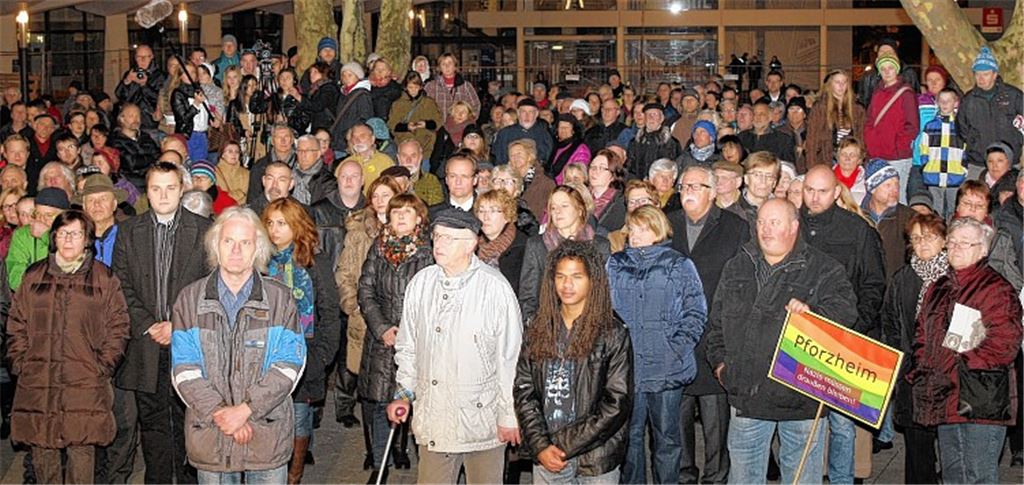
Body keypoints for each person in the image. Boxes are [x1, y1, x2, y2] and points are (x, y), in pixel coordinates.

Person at [706, 198, 858, 484]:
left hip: (800, 399)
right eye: (761, 222)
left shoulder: (823, 268)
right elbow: (716, 324)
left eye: (774, 222)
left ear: (794, 226)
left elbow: (847, 312)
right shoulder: (738, 265)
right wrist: (722, 366)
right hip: (747, 396)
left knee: (802, 479)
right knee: (743, 479)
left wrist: (813, 314)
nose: (765, 229)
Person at [170, 207, 307, 484]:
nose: (236, 250)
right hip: (212, 436)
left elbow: (288, 366)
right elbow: (184, 370)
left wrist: (245, 411)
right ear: (215, 246)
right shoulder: (189, 300)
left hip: (266, 436)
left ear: (258, 249)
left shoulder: (280, 300)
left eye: (245, 242)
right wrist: (223, 415)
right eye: (228, 241)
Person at [385, 209, 522, 484]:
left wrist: (509, 414)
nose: (440, 244)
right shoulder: (421, 283)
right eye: (437, 236)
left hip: (481, 421)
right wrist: (404, 394)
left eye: (449, 238)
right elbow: (408, 347)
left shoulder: (495, 288)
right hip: (435, 419)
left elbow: (510, 358)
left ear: (471, 244)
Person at [7, 209, 130, 484]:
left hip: (84, 379)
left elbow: (119, 326)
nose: (68, 239)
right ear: (54, 237)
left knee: (82, 450)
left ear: (87, 239)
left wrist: (102, 366)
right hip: (38, 379)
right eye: (62, 233)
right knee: (43, 448)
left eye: (75, 233)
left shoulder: (103, 278)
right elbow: (16, 322)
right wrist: (20, 362)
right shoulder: (34, 275)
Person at [112, 162, 212, 484]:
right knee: (153, 425)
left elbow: (211, 287)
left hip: (189, 342)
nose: (163, 195)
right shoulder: (129, 230)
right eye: (156, 188)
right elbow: (121, 283)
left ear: (182, 190)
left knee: (191, 420)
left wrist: (177, 325)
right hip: (147, 343)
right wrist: (149, 323)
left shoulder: (204, 230)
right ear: (147, 192)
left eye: (170, 188)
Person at [909, 217, 1023, 483]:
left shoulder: (997, 289)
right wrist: (922, 368)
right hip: (945, 396)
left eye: (965, 243)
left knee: (978, 475)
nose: (956, 248)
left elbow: (1005, 344)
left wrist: (961, 357)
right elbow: (922, 334)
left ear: (982, 250)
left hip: (981, 399)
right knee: (953, 475)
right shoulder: (938, 287)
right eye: (952, 242)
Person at [515, 240, 633, 484]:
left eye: (576, 277)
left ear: (592, 280)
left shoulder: (612, 332)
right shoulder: (538, 327)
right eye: (560, 276)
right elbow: (524, 389)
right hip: (547, 454)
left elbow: (617, 403)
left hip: (595, 458)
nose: (567, 285)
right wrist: (540, 445)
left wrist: (561, 445)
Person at [800, 165, 886, 483]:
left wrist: (857, 325)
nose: (814, 197)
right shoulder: (792, 223)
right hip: (801, 336)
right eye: (809, 190)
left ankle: (841, 480)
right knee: (803, 423)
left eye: (822, 191)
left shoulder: (857, 229)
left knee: (841, 423)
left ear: (837, 192)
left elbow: (874, 283)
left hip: (843, 336)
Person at [607, 206, 704, 484]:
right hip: (628, 369)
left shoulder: (679, 264)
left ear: (658, 230)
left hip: (666, 368)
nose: (635, 234)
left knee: (667, 439)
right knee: (630, 439)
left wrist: (675, 348)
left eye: (643, 228)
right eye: (632, 228)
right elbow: (604, 310)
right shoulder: (615, 263)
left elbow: (696, 311)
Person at [260, 198, 340, 484]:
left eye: (282, 223)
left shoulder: (314, 261)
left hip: (304, 350)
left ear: (296, 225)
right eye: (270, 223)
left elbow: (329, 309)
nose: (274, 230)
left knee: (299, 416)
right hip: (264, 350)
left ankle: (293, 477)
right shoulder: (259, 261)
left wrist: (323, 355)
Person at [357, 194, 434, 482]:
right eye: (396, 211)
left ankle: (424, 464)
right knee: (380, 404)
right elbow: (365, 290)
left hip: (417, 339)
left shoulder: (428, 252)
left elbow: (432, 296)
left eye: (407, 212)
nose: (401, 216)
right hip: (382, 340)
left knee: (416, 402)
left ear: (419, 218)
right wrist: (382, 328)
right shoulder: (378, 248)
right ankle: (381, 465)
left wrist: (410, 331)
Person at [333, 175, 401, 460]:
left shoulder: (409, 231)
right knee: (370, 389)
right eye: (376, 195)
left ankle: (397, 447)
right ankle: (373, 450)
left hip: (399, 322)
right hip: (365, 319)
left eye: (387, 195)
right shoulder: (358, 231)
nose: (381, 200)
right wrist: (353, 304)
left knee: (400, 385)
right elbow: (345, 273)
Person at [880, 212, 947, 484]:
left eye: (929, 237)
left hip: (948, 377)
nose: (923, 244)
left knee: (953, 451)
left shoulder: (956, 277)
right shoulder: (902, 279)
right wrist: (901, 366)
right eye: (916, 238)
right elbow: (890, 324)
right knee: (917, 453)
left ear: (944, 240)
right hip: (913, 376)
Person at [519, 185, 611, 323]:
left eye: (564, 206)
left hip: (589, 323)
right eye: (553, 208)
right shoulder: (537, 245)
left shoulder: (599, 246)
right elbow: (528, 296)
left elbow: (604, 292)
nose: (557, 212)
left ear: (579, 210)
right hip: (548, 324)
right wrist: (535, 325)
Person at [956, 47, 1023, 180]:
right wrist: (974, 143)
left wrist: (1016, 143)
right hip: (978, 162)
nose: (981, 79)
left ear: (994, 74)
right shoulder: (968, 100)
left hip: (1008, 162)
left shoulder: (1014, 96)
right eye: (977, 74)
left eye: (985, 74)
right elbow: (961, 128)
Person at [864, 54, 918, 204]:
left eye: (890, 68)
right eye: (883, 69)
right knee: (878, 197)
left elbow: (912, 125)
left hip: (897, 155)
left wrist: (899, 145)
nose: (887, 72)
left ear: (897, 70)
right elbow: (870, 119)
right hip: (877, 153)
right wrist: (870, 140)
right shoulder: (877, 93)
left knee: (897, 196)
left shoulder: (906, 93)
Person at [918, 87, 967, 219]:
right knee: (936, 211)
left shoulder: (961, 126)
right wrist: (925, 166)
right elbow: (924, 149)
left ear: (955, 103)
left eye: (948, 101)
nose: (945, 104)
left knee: (954, 210)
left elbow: (965, 149)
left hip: (955, 174)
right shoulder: (930, 126)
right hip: (933, 174)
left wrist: (964, 168)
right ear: (937, 102)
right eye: (942, 100)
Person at [5, 187, 67, 290]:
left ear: (63, 216)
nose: (41, 220)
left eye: (49, 215)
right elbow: (15, 277)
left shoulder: (73, 232)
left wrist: (47, 236)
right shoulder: (22, 234)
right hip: (30, 296)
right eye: (37, 214)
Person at [862, 159, 914, 278]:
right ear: (872, 189)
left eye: (897, 184)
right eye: (888, 185)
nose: (895, 190)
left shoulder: (910, 218)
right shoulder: (858, 218)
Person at [474, 188, 529, 295]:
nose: (485, 217)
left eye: (493, 211)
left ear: (507, 215)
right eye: (481, 211)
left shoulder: (524, 247)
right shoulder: (471, 246)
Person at [389, 71, 442, 161]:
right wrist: (406, 127)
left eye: (416, 87)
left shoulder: (429, 103)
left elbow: (438, 121)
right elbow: (392, 125)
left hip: (425, 147)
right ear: (406, 87)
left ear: (420, 87)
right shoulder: (397, 104)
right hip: (405, 147)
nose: (413, 90)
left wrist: (426, 124)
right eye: (410, 87)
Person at [76, 174, 127, 267]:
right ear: (84, 206)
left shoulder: (128, 236)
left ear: (114, 204)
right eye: (91, 200)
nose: (97, 204)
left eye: (103, 199)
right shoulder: (74, 238)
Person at [108, 103, 161, 192]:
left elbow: (158, 156)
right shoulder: (114, 141)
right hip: (130, 185)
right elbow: (131, 163)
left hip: (151, 181)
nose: (136, 119)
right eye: (131, 116)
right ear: (122, 119)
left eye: (138, 116)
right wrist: (150, 158)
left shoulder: (145, 137)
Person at [115, 45, 166, 133]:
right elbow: (119, 95)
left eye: (146, 57)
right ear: (135, 58)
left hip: (150, 121)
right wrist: (127, 81)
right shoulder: (131, 73)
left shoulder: (160, 76)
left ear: (152, 57)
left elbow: (159, 98)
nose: (142, 60)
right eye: (139, 57)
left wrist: (144, 85)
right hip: (129, 121)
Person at [424, 53, 481, 125]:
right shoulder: (431, 86)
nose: (447, 66)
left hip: (461, 127)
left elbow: (476, 105)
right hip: (438, 127)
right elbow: (424, 107)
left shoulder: (466, 86)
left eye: (450, 63)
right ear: (439, 67)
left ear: (455, 66)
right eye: (443, 64)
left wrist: (469, 122)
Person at [330, 62, 374, 154]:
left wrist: (351, 135)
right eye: (343, 75)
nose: (346, 78)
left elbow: (364, 118)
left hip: (351, 141)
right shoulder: (343, 94)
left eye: (350, 75)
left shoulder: (362, 95)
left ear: (358, 76)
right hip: (339, 141)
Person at [627, 103, 681, 180]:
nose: (651, 117)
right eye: (648, 115)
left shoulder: (672, 143)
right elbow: (630, 167)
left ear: (662, 118)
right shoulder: (635, 142)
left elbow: (675, 169)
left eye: (655, 114)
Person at [493, 98, 554, 165]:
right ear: (518, 113)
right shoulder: (505, 133)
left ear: (536, 114)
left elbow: (546, 160)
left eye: (531, 112)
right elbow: (499, 159)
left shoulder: (544, 134)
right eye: (523, 112)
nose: (527, 116)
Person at [508, 138, 557, 221]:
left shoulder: (545, 181)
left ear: (530, 156)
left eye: (519, 153)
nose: (515, 157)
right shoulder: (508, 181)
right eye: (512, 155)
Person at [340, 123, 395, 194]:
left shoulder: (385, 161)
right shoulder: (345, 164)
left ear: (372, 139)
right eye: (354, 137)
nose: (357, 141)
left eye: (362, 136)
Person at [587, 149, 627, 233]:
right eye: (593, 166)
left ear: (613, 175)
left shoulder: (621, 202)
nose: (595, 171)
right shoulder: (581, 196)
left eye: (602, 168)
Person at [396, 139, 443, 206]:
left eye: (413, 156)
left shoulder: (431, 180)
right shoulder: (390, 181)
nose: (408, 160)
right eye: (404, 156)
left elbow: (437, 208)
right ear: (398, 158)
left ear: (420, 157)